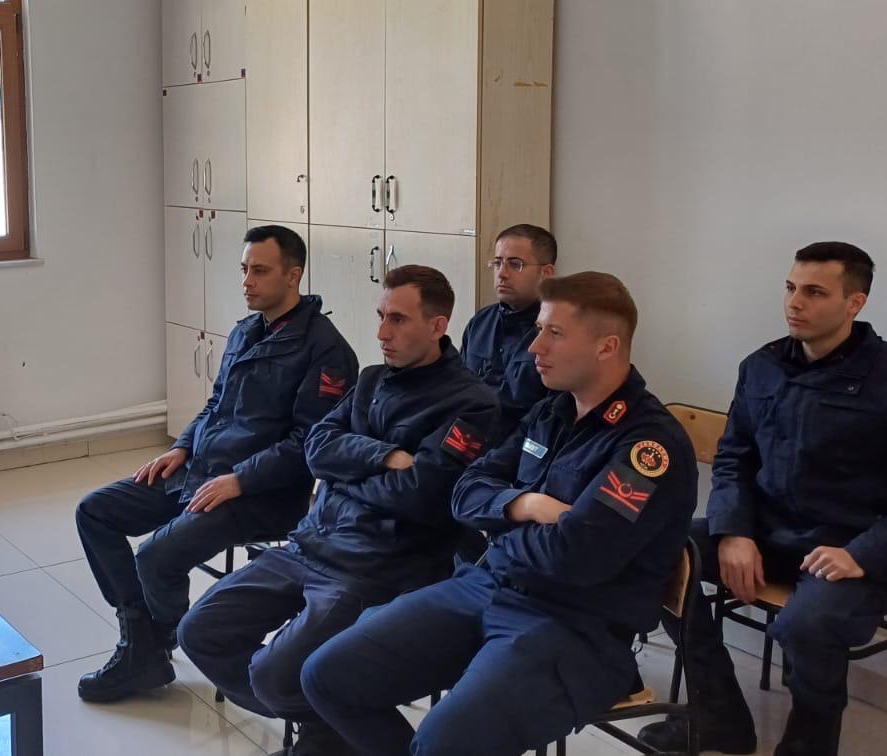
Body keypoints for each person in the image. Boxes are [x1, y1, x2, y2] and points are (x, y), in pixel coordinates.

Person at [301, 272, 697, 756]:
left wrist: (499, 531)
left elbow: (576, 556)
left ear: (606, 346)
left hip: (575, 628)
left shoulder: (648, 447)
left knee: (443, 743)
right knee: (326, 676)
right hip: (487, 587)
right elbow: (464, 492)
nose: (534, 347)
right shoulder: (552, 412)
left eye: (554, 333)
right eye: (539, 329)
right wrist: (522, 505)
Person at [637, 242, 887, 755]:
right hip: (770, 533)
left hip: (855, 551)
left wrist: (861, 554)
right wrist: (734, 531)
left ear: (855, 303)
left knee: (807, 625)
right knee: (652, 551)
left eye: (815, 292)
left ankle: (808, 743)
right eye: (791, 288)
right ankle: (719, 715)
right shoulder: (762, 365)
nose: (794, 302)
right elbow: (734, 458)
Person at [178, 265, 500, 755]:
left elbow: (419, 494)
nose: (382, 333)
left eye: (398, 319)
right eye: (381, 316)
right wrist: (384, 457)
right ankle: (329, 728)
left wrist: (347, 472)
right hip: (311, 542)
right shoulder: (371, 380)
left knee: (273, 676)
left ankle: (333, 730)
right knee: (200, 632)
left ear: (438, 326)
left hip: (374, 565)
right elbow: (316, 448)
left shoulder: (472, 404)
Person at [74, 225, 358, 702]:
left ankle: (150, 647)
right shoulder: (247, 330)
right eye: (244, 269)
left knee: (156, 557)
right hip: (201, 469)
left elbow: (310, 443)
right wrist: (182, 447)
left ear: (293, 276)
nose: (247, 281)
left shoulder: (326, 350)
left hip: (261, 494)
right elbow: (216, 404)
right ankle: (142, 641)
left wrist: (240, 480)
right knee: (95, 511)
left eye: (260, 271)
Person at [461, 223, 556, 441]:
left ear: (546, 273)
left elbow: (550, 417)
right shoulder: (480, 322)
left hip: (520, 446)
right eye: (497, 263)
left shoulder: (555, 332)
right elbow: (456, 388)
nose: (502, 274)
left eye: (515, 265)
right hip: (465, 438)